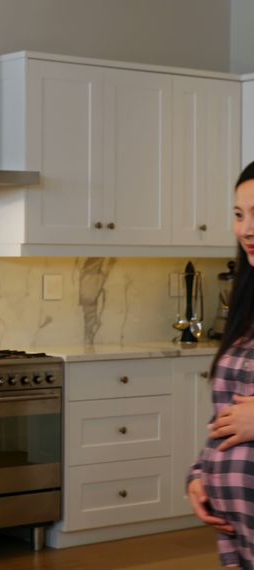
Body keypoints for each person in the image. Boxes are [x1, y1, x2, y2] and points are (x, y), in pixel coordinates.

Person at [188, 160, 254, 568]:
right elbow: (227, 410)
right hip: (239, 536)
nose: (247, 228)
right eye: (239, 214)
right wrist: (201, 475)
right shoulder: (246, 307)